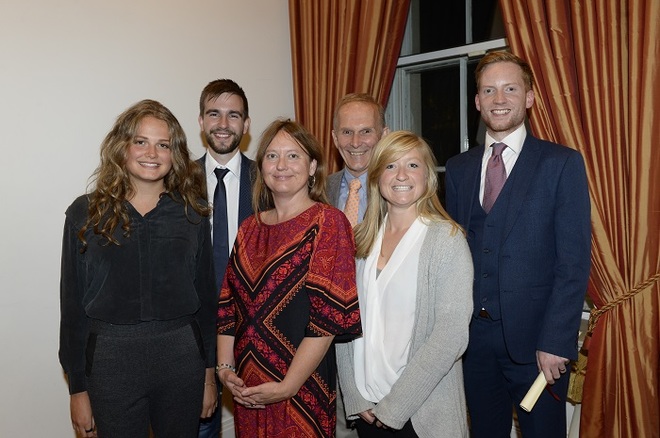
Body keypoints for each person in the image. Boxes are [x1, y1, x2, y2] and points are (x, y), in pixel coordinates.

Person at [444, 51, 591, 437]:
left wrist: (557, 340)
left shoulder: (561, 163)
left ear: (529, 97)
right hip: (473, 343)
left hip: (539, 345)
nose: (498, 99)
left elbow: (573, 263)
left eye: (510, 88)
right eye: (488, 90)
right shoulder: (458, 169)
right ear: (477, 101)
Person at [59, 99, 218, 438]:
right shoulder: (85, 213)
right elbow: (72, 309)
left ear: (174, 153)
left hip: (181, 357)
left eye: (164, 145)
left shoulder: (193, 213)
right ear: (122, 147)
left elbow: (206, 300)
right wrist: (77, 390)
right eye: (141, 141)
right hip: (111, 361)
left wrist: (209, 377)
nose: (152, 153)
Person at [216, 119, 362, 437]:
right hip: (248, 392)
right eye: (272, 156)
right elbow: (227, 307)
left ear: (312, 166)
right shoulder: (248, 228)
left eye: (293, 156)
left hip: (301, 391)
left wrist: (286, 387)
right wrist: (225, 371)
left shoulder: (328, 223)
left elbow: (328, 319)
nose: (281, 165)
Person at [336, 131, 474, 438]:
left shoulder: (447, 241)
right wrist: (355, 399)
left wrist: (395, 407)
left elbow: (450, 337)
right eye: (390, 166)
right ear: (377, 176)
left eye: (412, 165)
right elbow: (343, 323)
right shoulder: (358, 240)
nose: (401, 175)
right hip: (368, 411)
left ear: (427, 177)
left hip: (422, 416)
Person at [328, 93, 389, 438]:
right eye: (347, 132)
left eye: (366, 131)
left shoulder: (401, 188)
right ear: (334, 137)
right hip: (330, 344)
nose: (356, 142)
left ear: (383, 133)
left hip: (383, 347)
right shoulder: (317, 188)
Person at [196, 78, 255, 438]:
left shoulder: (267, 178)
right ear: (201, 121)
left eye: (233, 115)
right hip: (193, 330)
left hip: (252, 327)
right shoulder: (176, 180)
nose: (223, 123)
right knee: (199, 428)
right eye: (214, 114)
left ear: (246, 125)